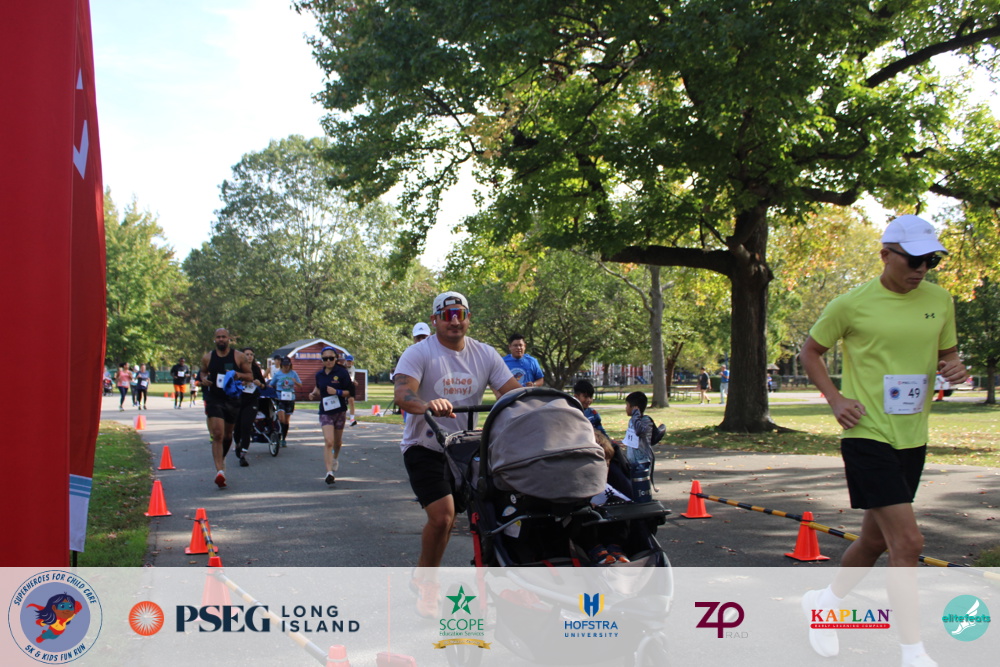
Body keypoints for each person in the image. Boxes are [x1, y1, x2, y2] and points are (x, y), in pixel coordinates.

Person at [798, 215, 967, 667]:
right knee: (908, 543)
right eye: (914, 260)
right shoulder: (850, 304)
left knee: (875, 541)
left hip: (912, 437)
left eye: (931, 261)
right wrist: (835, 399)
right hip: (867, 434)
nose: (922, 269)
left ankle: (824, 603)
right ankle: (912, 652)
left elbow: (948, 355)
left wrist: (954, 367)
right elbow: (810, 352)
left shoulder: (939, 300)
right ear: (886, 255)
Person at [393, 291, 520, 614]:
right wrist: (427, 404)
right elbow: (403, 394)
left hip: (467, 448)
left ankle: (509, 582)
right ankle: (427, 583)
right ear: (434, 319)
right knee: (443, 517)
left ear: (468, 318)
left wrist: (538, 402)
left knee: (496, 512)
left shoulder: (485, 354)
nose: (454, 322)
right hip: (425, 446)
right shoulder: (419, 353)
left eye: (460, 315)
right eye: (447, 316)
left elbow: (512, 394)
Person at [199, 328, 253, 489]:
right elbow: (202, 373)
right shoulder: (208, 357)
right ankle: (219, 471)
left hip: (232, 399)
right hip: (215, 398)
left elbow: (250, 376)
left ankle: (221, 460)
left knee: (228, 435)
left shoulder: (239, 356)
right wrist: (204, 379)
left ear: (229, 339)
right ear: (214, 339)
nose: (221, 339)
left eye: (223, 337)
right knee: (217, 434)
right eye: (218, 337)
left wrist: (238, 375)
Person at [309, 347, 356, 484]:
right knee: (329, 441)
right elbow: (318, 387)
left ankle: (335, 458)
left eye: (331, 358)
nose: (328, 361)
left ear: (336, 359)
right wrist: (313, 393)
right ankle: (329, 473)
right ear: (322, 360)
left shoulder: (342, 372)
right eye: (325, 358)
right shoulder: (319, 374)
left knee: (337, 442)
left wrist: (337, 392)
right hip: (325, 411)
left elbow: (350, 392)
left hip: (339, 410)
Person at [233, 347, 266, 467]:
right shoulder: (237, 368)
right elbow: (229, 383)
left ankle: (243, 455)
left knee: (246, 426)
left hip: (252, 401)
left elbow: (264, 386)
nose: (250, 356)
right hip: (238, 400)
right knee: (237, 427)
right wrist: (241, 383)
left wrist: (259, 384)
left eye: (251, 354)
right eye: (247, 354)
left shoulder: (256, 369)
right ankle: (238, 443)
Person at [268, 356, 303, 448]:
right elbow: (271, 384)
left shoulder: (293, 374)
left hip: (290, 398)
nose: (286, 367)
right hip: (280, 398)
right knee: (281, 418)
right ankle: (278, 436)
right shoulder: (278, 374)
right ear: (281, 365)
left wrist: (295, 382)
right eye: (284, 365)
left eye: (287, 365)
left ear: (290, 365)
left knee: (286, 420)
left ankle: (283, 438)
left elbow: (300, 385)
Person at [340, 353, 358, 426]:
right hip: (343, 385)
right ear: (345, 361)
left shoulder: (353, 368)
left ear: (352, 362)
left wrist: (354, 381)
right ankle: (340, 418)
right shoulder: (342, 368)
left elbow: (351, 377)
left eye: (350, 361)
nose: (349, 363)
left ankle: (352, 419)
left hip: (350, 385)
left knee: (351, 401)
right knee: (342, 403)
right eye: (348, 361)